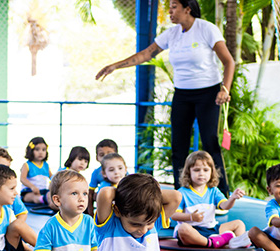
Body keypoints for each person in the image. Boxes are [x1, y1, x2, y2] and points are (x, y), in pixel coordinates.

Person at [95, 0, 235, 195]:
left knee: (209, 141)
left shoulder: (206, 29)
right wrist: (115, 66)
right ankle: (181, 193)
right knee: (178, 144)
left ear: (187, 9)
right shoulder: (172, 34)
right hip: (182, 94)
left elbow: (229, 61)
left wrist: (225, 89)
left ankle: (221, 194)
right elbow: (146, 54)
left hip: (208, 92)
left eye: (174, 6)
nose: (169, 11)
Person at [31, 170, 98, 251]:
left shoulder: (89, 222)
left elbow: (97, 250)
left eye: (85, 193)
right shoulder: (51, 225)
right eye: (74, 193)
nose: (82, 198)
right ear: (57, 200)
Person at [170, 151, 245, 248]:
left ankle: (237, 243)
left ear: (211, 172)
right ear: (188, 172)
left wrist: (233, 198)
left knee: (239, 224)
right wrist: (191, 217)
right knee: (183, 229)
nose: (201, 174)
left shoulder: (213, 191)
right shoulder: (181, 193)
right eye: (197, 170)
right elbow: (174, 215)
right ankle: (210, 243)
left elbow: (225, 206)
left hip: (211, 228)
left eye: (205, 170)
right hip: (193, 230)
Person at [87, 139, 119, 215]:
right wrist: (90, 212)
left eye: (109, 154)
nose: (106, 157)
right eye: (102, 155)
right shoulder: (96, 173)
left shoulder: (121, 171)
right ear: (97, 157)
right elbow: (90, 193)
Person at [20, 137, 52, 204]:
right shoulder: (27, 165)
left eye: (43, 150)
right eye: (37, 149)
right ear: (31, 151)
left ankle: (46, 199)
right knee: (32, 197)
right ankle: (42, 199)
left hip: (43, 191)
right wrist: (32, 187)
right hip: (29, 191)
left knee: (50, 194)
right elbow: (22, 179)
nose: (41, 152)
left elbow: (52, 178)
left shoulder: (46, 165)